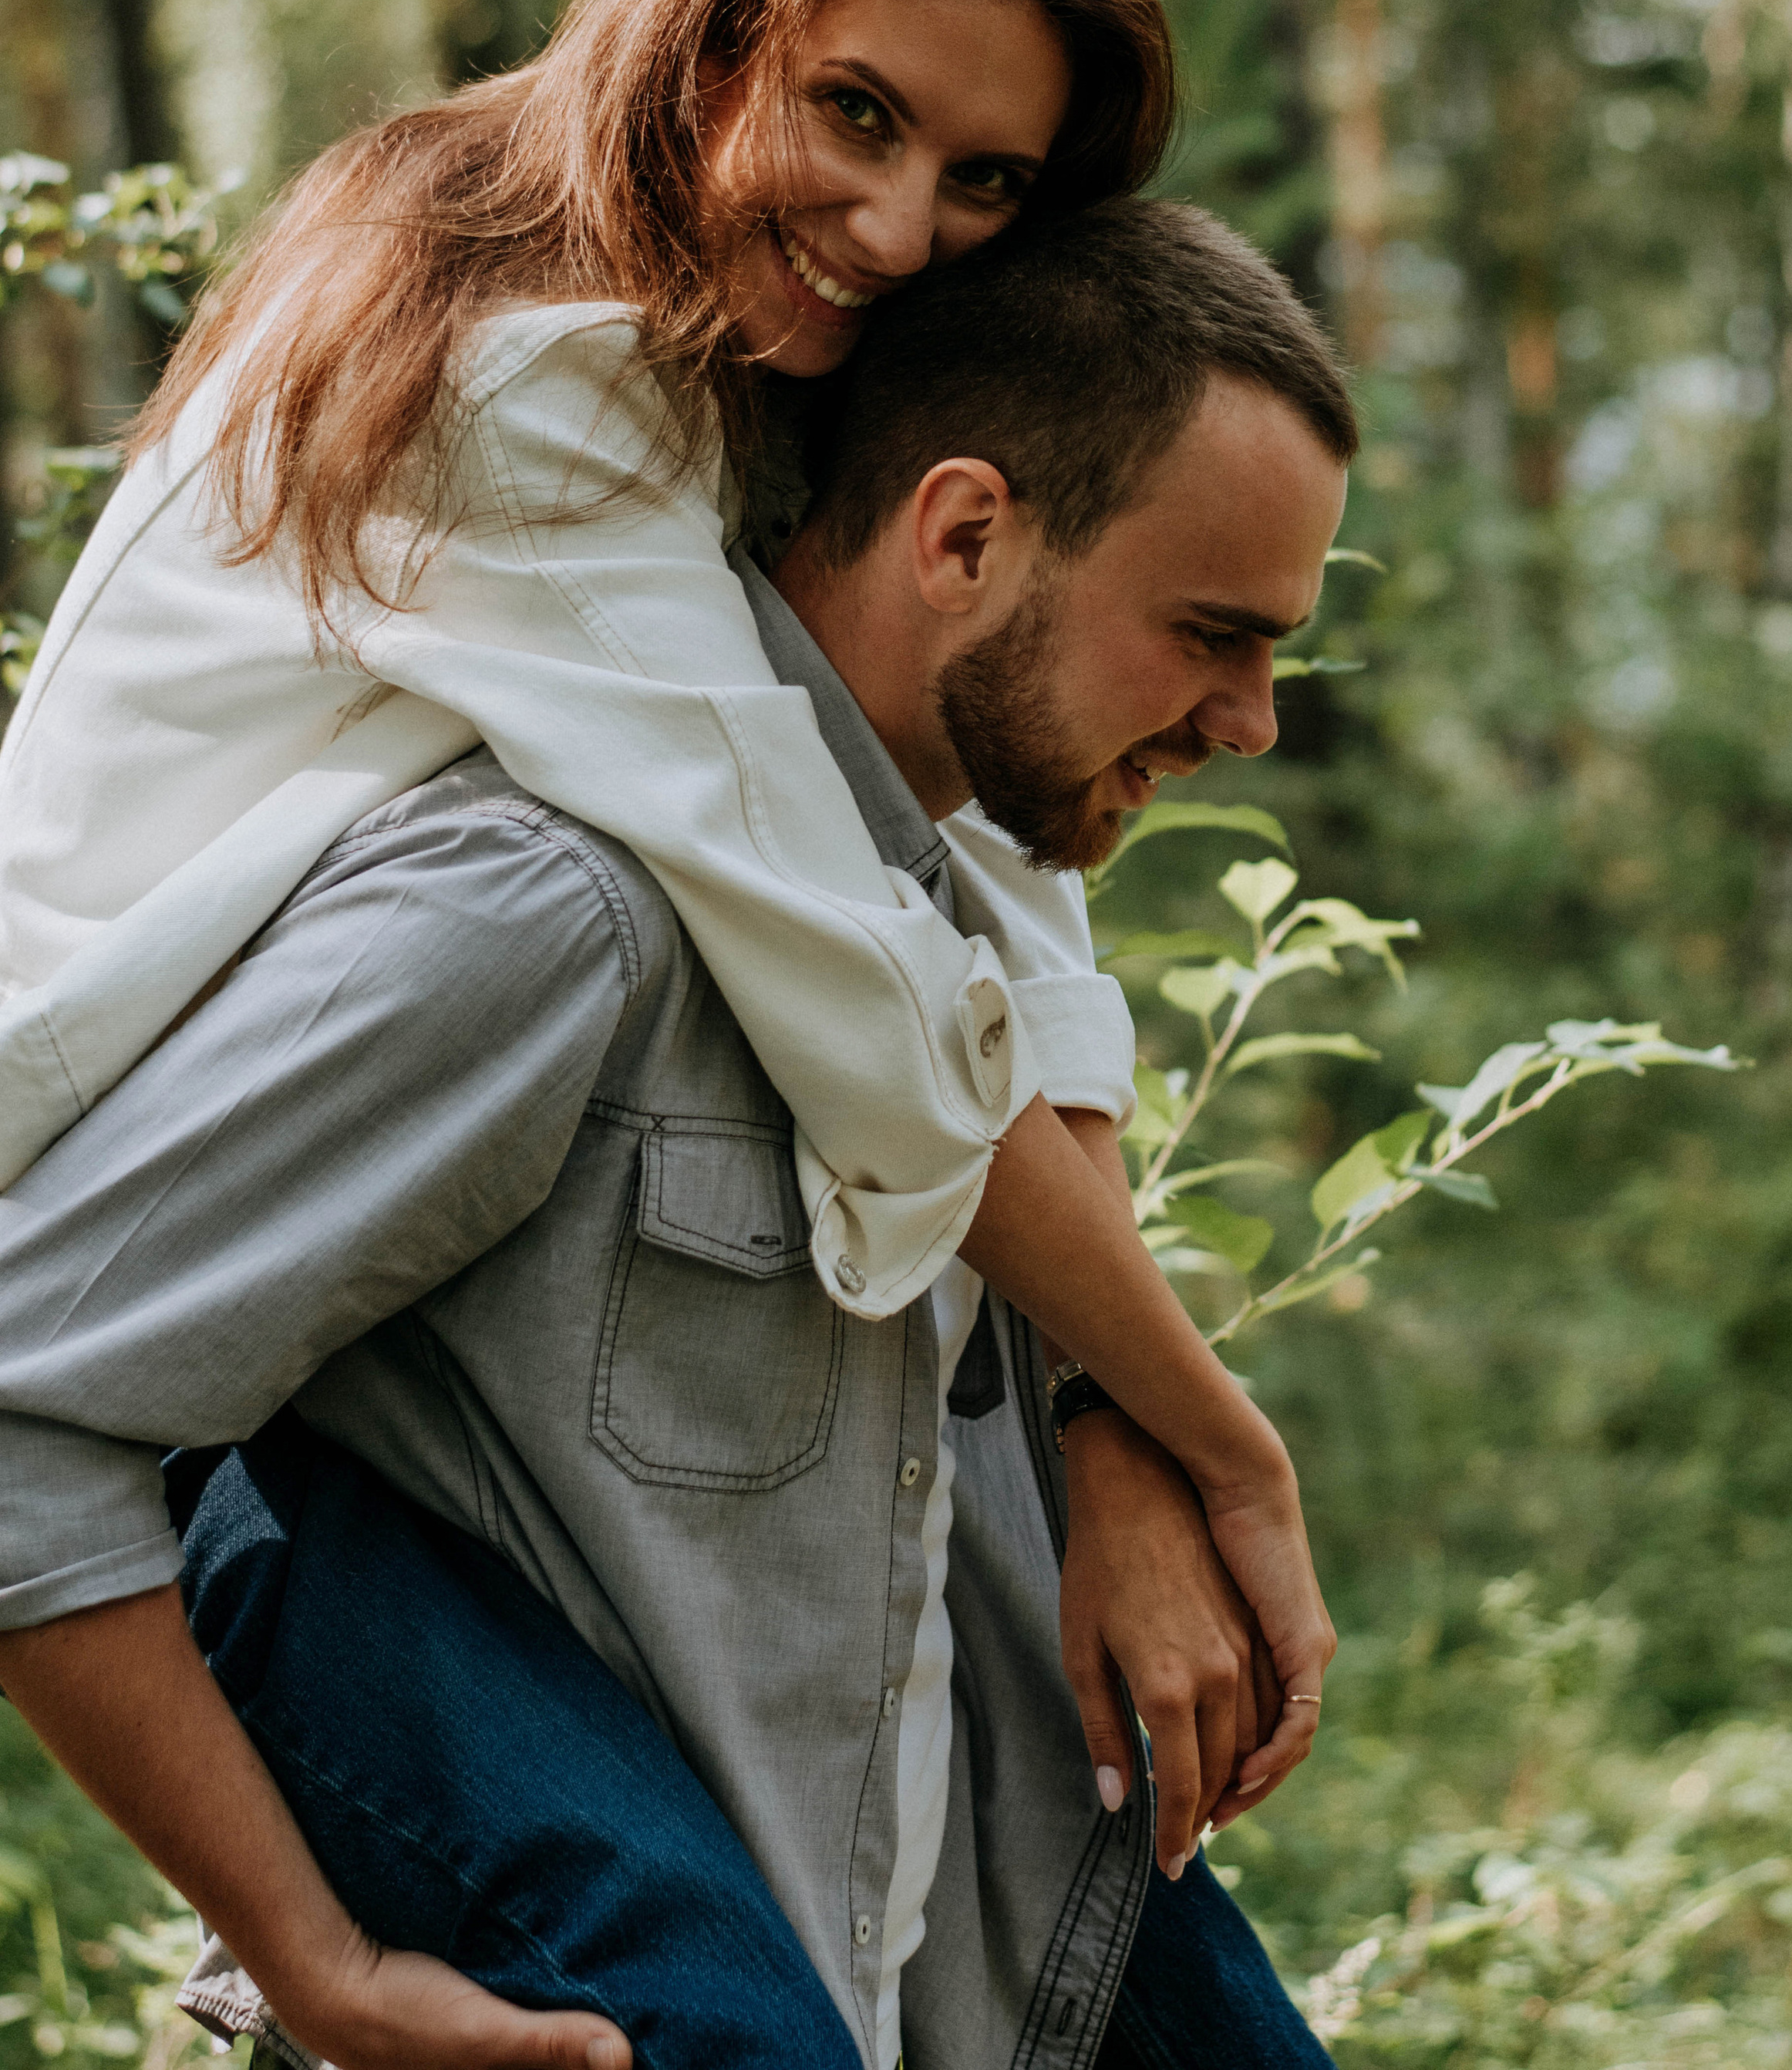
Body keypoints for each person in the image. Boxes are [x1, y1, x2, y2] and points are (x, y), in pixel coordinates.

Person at [0, 201, 1355, 2070]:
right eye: (1210, 636)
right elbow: (28, 1401)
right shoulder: (546, 909)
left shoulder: (966, 924)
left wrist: (1110, 1423)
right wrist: (309, 1960)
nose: (1255, 722)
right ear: (959, 534)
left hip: (976, 1936)